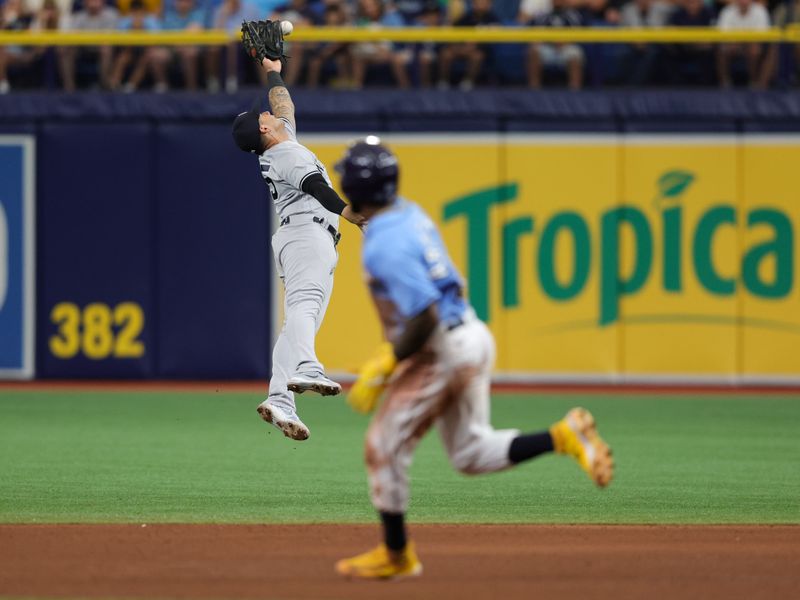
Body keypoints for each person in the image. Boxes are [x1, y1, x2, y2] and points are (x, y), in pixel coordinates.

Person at [333, 138, 614, 580]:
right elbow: (443, 286)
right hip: (472, 334)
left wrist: (390, 361)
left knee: (383, 445)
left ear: (356, 185)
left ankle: (396, 554)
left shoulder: (384, 245)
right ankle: (564, 435)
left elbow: (424, 314)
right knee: (468, 453)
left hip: (442, 348)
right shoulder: (409, 214)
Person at [231, 54, 366, 441]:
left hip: (301, 236)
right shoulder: (286, 153)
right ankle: (307, 366)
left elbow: (284, 103)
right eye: (265, 116)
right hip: (308, 232)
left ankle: (279, 398)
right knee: (305, 308)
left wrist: (272, 68)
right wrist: (349, 212)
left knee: (299, 319)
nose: (270, 113)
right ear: (263, 128)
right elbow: (316, 187)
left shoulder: (282, 141)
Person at [438, 0, 500, 90]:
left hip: (478, 50)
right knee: (446, 54)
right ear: (473, 4)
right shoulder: (467, 17)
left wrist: (475, 44)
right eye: (478, 3)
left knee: (477, 56)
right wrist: (459, 46)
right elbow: (454, 33)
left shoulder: (492, 18)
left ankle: (468, 82)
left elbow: (493, 39)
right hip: (461, 48)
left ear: (489, 5)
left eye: (483, 3)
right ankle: (443, 82)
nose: (480, 6)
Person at [58, 0, 118, 91]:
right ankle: (69, 87)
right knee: (65, 50)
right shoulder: (79, 16)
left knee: (106, 49)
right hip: (84, 48)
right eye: (90, 1)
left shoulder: (111, 14)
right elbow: (73, 36)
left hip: (102, 47)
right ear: (85, 3)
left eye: (96, 1)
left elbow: (110, 36)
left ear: (103, 2)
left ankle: (105, 84)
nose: (93, 4)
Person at [527, 0, 586, 90]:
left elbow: (580, 33)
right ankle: (534, 90)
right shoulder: (544, 13)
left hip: (567, 47)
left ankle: (574, 92)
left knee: (575, 54)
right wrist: (548, 40)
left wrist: (566, 41)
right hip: (548, 47)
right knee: (533, 51)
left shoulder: (572, 14)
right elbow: (535, 31)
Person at [717, 0, 773, 88]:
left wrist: (744, 42)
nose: (743, 1)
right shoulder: (727, 11)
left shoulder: (760, 10)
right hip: (733, 45)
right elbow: (722, 34)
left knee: (754, 49)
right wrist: (736, 42)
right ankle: (725, 82)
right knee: (721, 49)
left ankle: (754, 81)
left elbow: (762, 36)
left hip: (753, 45)